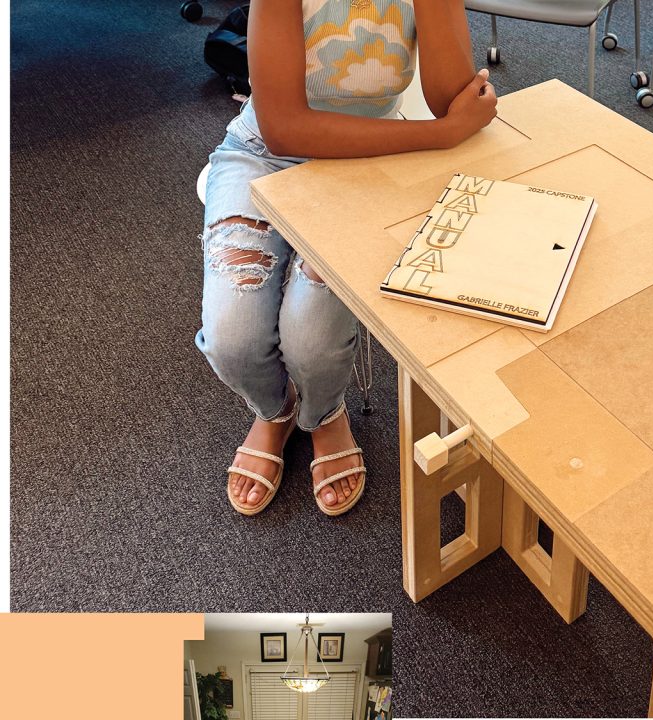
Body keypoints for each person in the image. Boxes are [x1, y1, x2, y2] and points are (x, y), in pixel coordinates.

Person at [196, 0, 497, 516]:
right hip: (263, 154)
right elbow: (284, 129)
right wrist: (439, 135)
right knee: (233, 341)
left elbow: (453, 100)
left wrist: (447, 123)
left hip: (369, 156)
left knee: (311, 339)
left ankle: (322, 413)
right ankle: (277, 409)